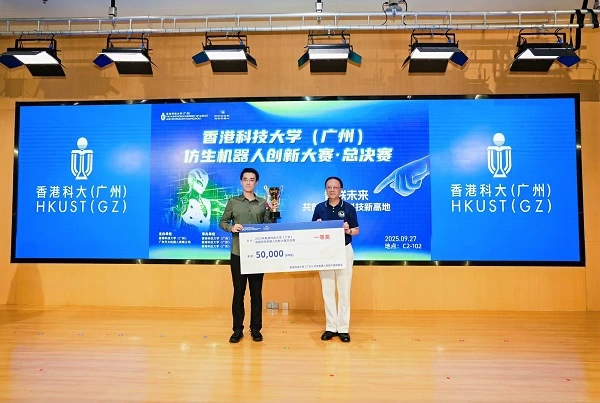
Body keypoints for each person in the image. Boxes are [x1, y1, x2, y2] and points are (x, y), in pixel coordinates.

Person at [219, 167, 277, 343]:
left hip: (257, 255)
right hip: (238, 253)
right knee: (238, 293)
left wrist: (273, 212)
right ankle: (237, 329)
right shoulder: (233, 202)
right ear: (241, 182)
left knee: (256, 293)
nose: (248, 182)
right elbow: (222, 221)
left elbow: (268, 225)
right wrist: (231, 227)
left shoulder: (263, 203)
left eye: (252, 179)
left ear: (256, 183)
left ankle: (256, 328)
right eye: (245, 179)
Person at [311, 176, 359, 343]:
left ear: (341, 189)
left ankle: (343, 328)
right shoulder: (319, 208)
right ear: (326, 189)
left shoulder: (348, 208)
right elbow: (312, 231)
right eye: (329, 187)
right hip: (325, 252)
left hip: (343, 250)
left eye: (335, 187)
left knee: (344, 291)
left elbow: (356, 230)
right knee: (328, 290)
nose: (332, 190)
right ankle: (331, 326)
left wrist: (348, 230)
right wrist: (316, 226)